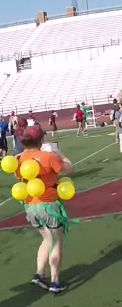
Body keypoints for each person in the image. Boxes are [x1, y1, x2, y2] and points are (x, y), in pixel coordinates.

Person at [15, 125, 74, 293]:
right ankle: (55, 281)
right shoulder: (48, 157)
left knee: (47, 239)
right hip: (50, 205)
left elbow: (17, 175)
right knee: (56, 242)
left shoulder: (18, 158)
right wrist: (58, 152)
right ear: (40, 140)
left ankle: (39, 274)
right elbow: (69, 168)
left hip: (30, 206)